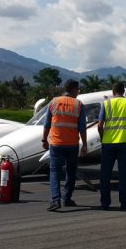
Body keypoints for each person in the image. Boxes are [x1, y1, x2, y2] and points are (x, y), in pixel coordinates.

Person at [42, 79, 87, 212]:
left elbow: (47, 124)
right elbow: (82, 128)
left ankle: (56, 200)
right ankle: (66, 198)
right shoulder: (78, 104)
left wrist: (44, 140)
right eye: (78, 89)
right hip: (72, 144)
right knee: (71, 171)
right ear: (73, 89)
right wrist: (84, 144)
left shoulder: (54, 102)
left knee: (55, 171)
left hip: (56, 144)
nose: (78, 92)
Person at [97, 82, 126, 211]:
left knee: (105, 174)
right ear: (124, 91)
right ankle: (125, 202)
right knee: (124, 174)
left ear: (112, 91)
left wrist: (103, 138)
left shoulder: (106, 104)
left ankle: (105, 202)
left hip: (108, 143)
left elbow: (99, 125)